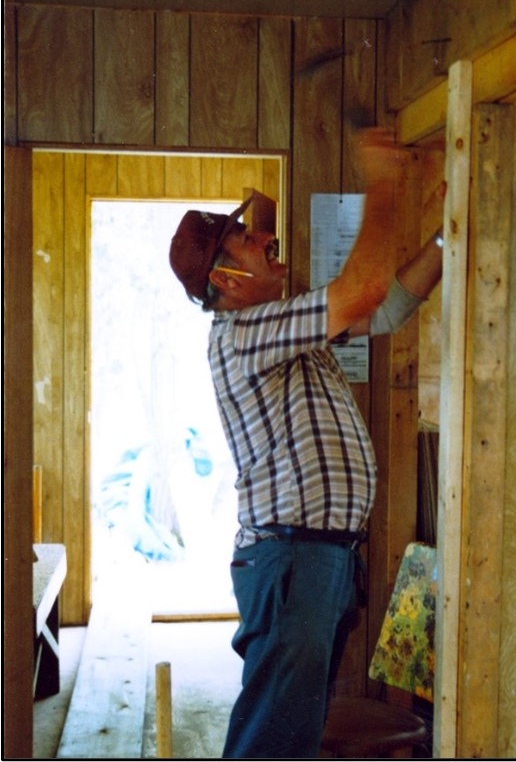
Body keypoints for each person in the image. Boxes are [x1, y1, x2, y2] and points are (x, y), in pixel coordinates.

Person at [169, 128, 444, 759]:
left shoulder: (285, 327)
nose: (268, 239)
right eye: (248, 239)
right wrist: (385, 183)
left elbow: (387, 309)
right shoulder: (244, 333)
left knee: (289, 735)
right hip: (296, 561)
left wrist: (444, 238)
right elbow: (364, 292)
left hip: (316, 561)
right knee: (275, 743)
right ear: (227, 281)